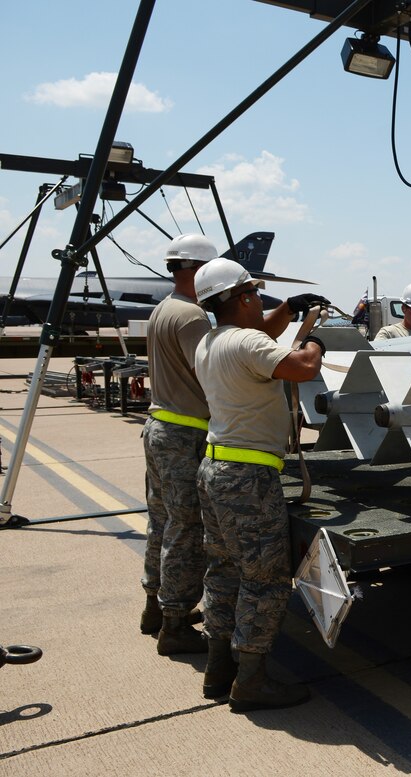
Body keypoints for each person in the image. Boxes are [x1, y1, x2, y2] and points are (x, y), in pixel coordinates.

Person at [193, 257, 328, 710]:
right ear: (245, 298)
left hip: (215, 470)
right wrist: (313, 338)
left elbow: (259, 342)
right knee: (266, 580)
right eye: (254, 293)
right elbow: (302, 367)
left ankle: (219, 670)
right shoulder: (248, 342)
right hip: (248, 478)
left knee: (225, 569)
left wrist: (289, 308)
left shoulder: (213, 342)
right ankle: (251, 682)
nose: (259, 299)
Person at [140, 234, 217, 656]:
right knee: (186, 530)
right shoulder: (192, 318)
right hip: (186, 434)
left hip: (159, 427)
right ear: (202, 270)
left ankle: (154, 605)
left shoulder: (163, 309)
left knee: (162, 521)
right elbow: (211, 374)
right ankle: (175, 624)